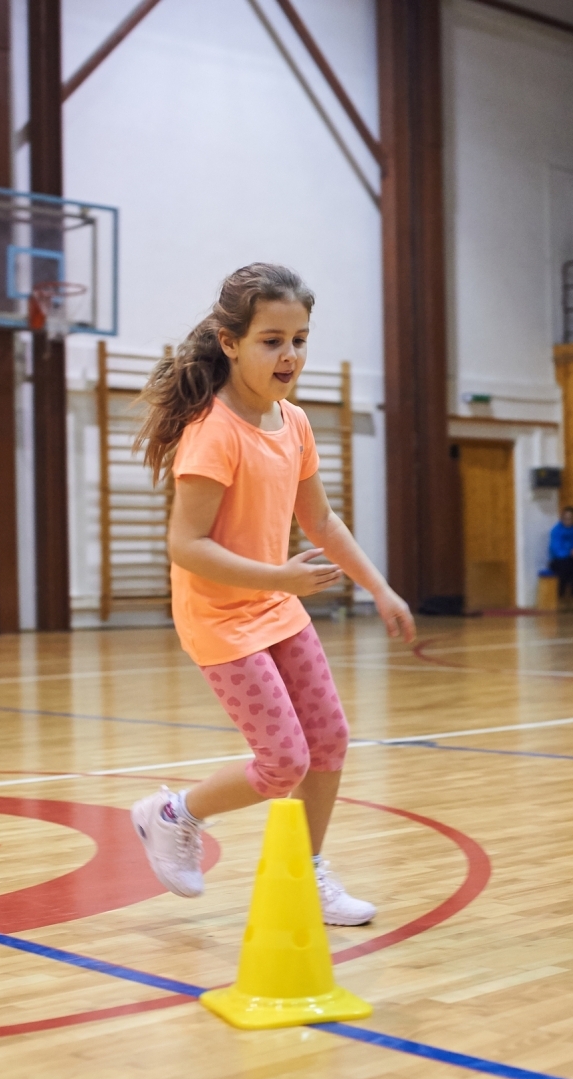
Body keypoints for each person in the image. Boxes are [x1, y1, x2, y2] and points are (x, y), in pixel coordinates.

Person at [130, 263, 415, 925]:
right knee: (283, 758)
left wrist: (381, 587)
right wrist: (282, 578)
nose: (289, 355)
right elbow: (186, 544)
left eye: (300, 339)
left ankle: (305, 874)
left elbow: (321, 520)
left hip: (273, 604)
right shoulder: (212, 432)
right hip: (218, 616)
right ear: (230, 342)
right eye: (271, 340)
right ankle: (173, 815)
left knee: (329, 739)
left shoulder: (294, 422)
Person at [548, 506, 573, 611]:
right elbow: (556, 549)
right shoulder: (556, 530)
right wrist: (570, 552)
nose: (568, 521)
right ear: (562, 518)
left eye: (570, 518)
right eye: (566, 518)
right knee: (565, 568)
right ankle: (561, 598)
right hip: (557, 560)